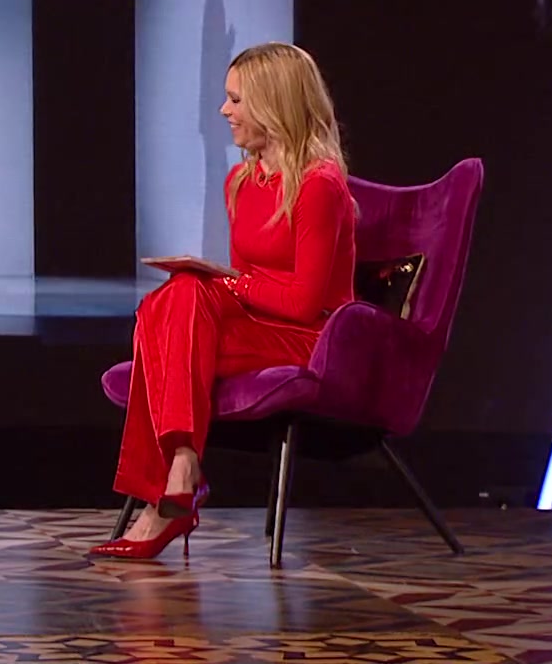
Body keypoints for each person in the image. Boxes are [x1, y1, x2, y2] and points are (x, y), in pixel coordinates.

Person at [90, 42, 357, 560]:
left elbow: (303, 304)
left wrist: (227, 284)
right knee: (176, 296)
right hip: (257, 327)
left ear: (274, 104)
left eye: (236, 100)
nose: (223, 111)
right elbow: (245, 285)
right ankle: (181, 467)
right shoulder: (240, 181)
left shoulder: (319, 186)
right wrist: (217, 283)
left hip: (309, 339)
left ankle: (169, 495)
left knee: (166, 326)